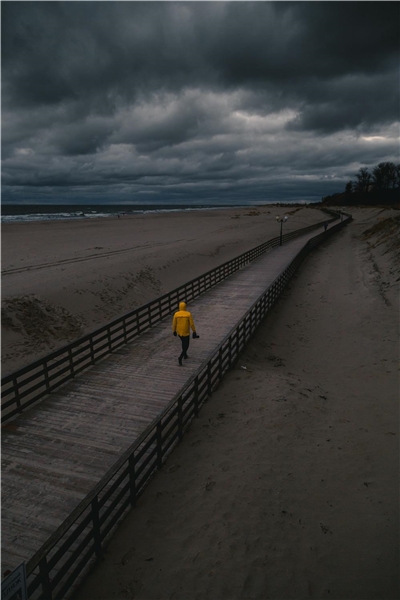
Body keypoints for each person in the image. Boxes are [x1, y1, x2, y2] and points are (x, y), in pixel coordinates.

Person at [172, 301, 199, 366]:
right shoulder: (188, 314)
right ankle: (180, 357)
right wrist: (194, 331)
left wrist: (174, 331)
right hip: (186, 332)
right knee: (186, 345)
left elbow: (174, 324)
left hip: (179, 332)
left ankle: (185, 355)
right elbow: (191, 324)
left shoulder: (176, 314)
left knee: (183, 343)